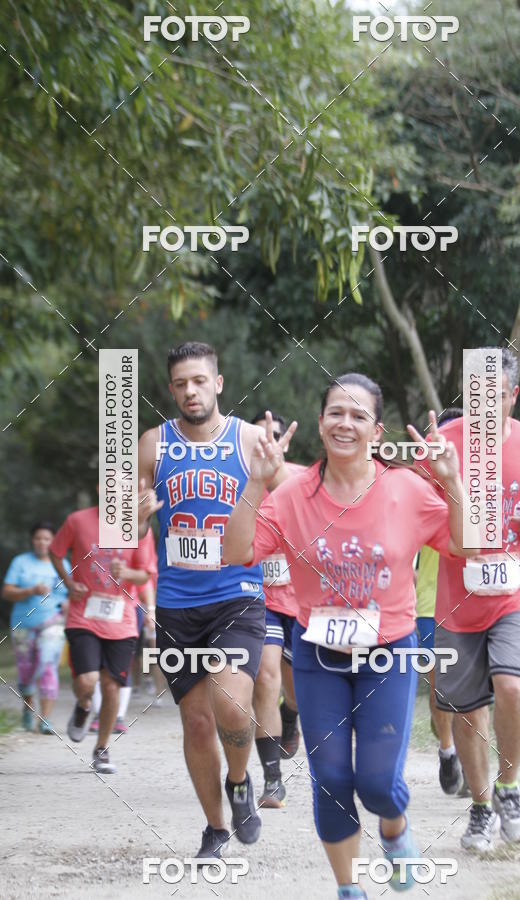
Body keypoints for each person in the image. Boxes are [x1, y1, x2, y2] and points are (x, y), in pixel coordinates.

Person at [223, 373, 475, 898]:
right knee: (333, 781)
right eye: (336, 412)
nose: (346, 422)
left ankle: (395, 828)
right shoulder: (292, 496)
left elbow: (466, 547)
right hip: (320, 655)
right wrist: (254, 482)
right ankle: (349, 889)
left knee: (379, 783)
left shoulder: (405, 488)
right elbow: (234, 551)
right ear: (320, 424)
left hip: (389, 653)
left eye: (359, 415)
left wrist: (451, 482)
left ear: (377, 432)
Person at [137, 341, 293, 859]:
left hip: (237, 594)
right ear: (171, 390)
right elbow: (125, 526)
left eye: (199, 381)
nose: (190, 391)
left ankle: (241, 780)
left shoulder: (251, 439)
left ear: (218, 383)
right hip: (177, 604)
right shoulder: (152, 445)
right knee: (197, 720)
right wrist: (137, 514)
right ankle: (214, 827)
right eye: (180, 383)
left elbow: (290, 498)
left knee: (230, 704)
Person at [430, 348, 520, 851]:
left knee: (511, 688)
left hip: (518, 591)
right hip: (457, 598)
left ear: (513, 395)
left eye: (495, 396)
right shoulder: (443, 442)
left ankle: (509, 790)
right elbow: (418, 509)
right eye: (475, 396)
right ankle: (482, 808)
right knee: (468, 711)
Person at [49, 499, 155, 773]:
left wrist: (128, 573)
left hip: (122, 620)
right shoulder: (78, 520)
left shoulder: (139, 526)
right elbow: (55, 551)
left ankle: (102, 749)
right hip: (84, 613)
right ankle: (84, 705)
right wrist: (69, 582)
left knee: (111, 687)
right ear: (101, 487)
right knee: (87, 681)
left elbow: (146, 575)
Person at [250, 411, 304, 809]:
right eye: (259, 436)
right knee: (266, 678)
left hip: (303, 600)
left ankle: (291, 714)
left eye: (274, 436)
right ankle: (272, 779)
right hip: (258, 598)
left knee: (296, 687)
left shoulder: (304, 480)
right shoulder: (242, 482)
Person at [414, 406, 468, 796]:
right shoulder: (423, 477)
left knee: (475, 692)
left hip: (478, 599)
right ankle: (448, 751)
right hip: (430, 601)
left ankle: (472, 765)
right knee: (441, 692)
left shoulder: (481, 479)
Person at [90, 529, 160, 733]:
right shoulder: (99, 535)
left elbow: (146, 579)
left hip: (131, 607)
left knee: (124, 661)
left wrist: (151, 609)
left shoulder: (143, 540)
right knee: (97, 663)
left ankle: (118, 715)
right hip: (97, 603)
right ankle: (96, 712)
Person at [2, 522, 69, 734]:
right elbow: (7, 592)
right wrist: (31, 590)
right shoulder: (20, 562)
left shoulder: (62, 564)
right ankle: (27, 709)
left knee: (48, 664)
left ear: (54, 541)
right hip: (23, 624)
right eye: (38, 538)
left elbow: (71, 592)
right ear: (32, 540)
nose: (42, 542)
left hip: (52, 622)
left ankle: (45, 718)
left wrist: (69, 604)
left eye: (47, 539)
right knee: (26, 669)